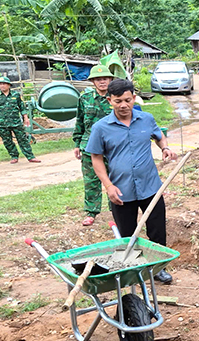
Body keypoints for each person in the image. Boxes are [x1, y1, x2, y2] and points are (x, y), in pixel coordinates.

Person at [85, 79, 177, 284]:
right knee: (127, 234)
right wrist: (108, 186)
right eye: (118, 101)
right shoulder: (101, 128)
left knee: (157, 230)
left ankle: (158, 268)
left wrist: (165, 148)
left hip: (151, 187)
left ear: (134, 98)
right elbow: (96, 158)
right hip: (121, 191)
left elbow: (159, 135)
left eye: (128, 100)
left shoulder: (146, 119)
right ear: (110, 100)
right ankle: (133, 270)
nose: (124, 105)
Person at [73, 65, 115, 226]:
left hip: (112, 147)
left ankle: (116, 211)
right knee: (91, 181)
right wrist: (77, 143)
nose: (102, 81)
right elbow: (80, 122)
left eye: (105, 78)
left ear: (110, 79)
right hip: (89, 146)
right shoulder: (85, 98)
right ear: (92, 81)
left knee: (115, 179)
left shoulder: (116, 97)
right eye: (98, 79)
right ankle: (91, 212)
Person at [0, 76, 40, 164]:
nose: (2, 86)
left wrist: (25, 118)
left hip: (16, 122)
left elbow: (22, 107)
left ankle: (30, 157)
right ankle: (14, 156)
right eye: (0, 84)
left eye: (4, 84)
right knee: (7, 141)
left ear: (9, 85)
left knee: (22, 139)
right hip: (2, 123)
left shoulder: (16, 95)